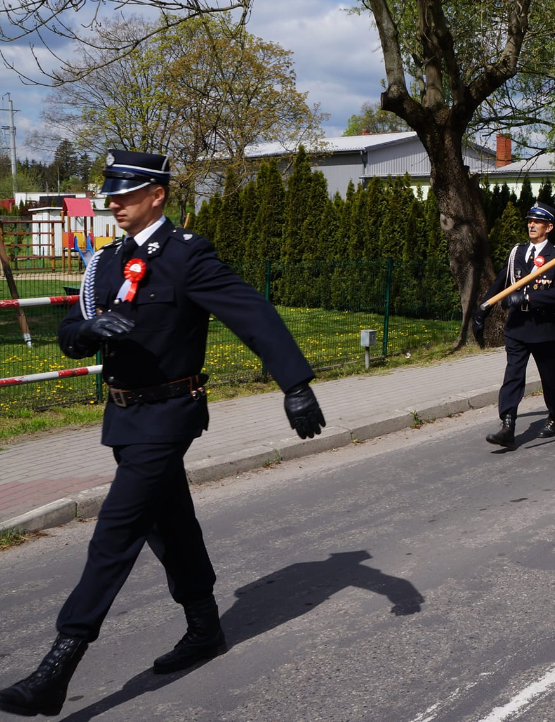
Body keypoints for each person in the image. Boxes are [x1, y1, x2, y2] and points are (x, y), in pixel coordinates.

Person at [0, 150, 326, 718]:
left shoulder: (187, 257)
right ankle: (204, 627)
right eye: (111, 195)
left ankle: (58, 666)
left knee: (115, 532)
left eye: (125, 194)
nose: (114, 204)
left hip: (170, 413)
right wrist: (88, 330)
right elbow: (72, 329)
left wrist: (295, 384)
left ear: (158, 195)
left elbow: (252, 314)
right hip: (124, 417)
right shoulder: (103, 263)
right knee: (168, 521)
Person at [473, 202, 555, 450]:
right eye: (529, 220)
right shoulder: (517, 252)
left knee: (549, 377)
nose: (531, 225)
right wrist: (483, 308)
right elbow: (501, 283)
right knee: (513, 376)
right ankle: (508, 424)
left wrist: (528, 297)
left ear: (548, 227)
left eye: (537, 222)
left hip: (543, 327)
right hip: (517, 326)